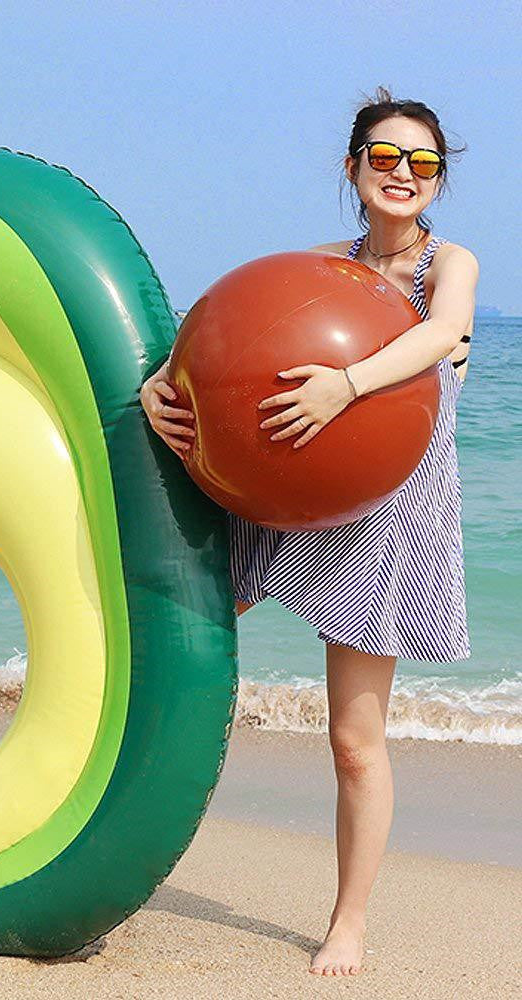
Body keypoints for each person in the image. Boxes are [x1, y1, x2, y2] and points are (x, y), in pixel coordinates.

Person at [140, 88, 477, 977]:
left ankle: (351, 921)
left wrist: (346, 385)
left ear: (439, 180)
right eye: (384, 155)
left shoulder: (451, 266)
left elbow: (441, 335)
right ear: (353, 166)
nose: (402, 173)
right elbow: (220, 336)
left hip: (385, 516)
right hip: (279, 494)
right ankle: (33, 806)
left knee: (354, 740)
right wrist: (157, 387)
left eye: (423, 162)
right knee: (155, 647)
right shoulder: (318, 265)